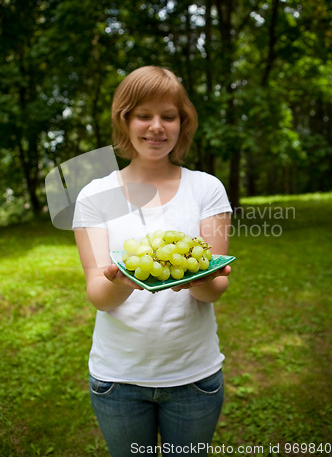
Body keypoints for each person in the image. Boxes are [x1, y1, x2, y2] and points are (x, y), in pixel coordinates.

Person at [72, 66, 232, 457]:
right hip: (118, 380)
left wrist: (203, 278)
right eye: (144, 115)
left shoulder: (206, 189)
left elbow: (214, 290)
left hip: (194, 378)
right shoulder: (96, 195)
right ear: (124, 119)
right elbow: (99, 295)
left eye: (169, 116)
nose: (156, 127)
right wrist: (120, 281)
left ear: (183, 123)